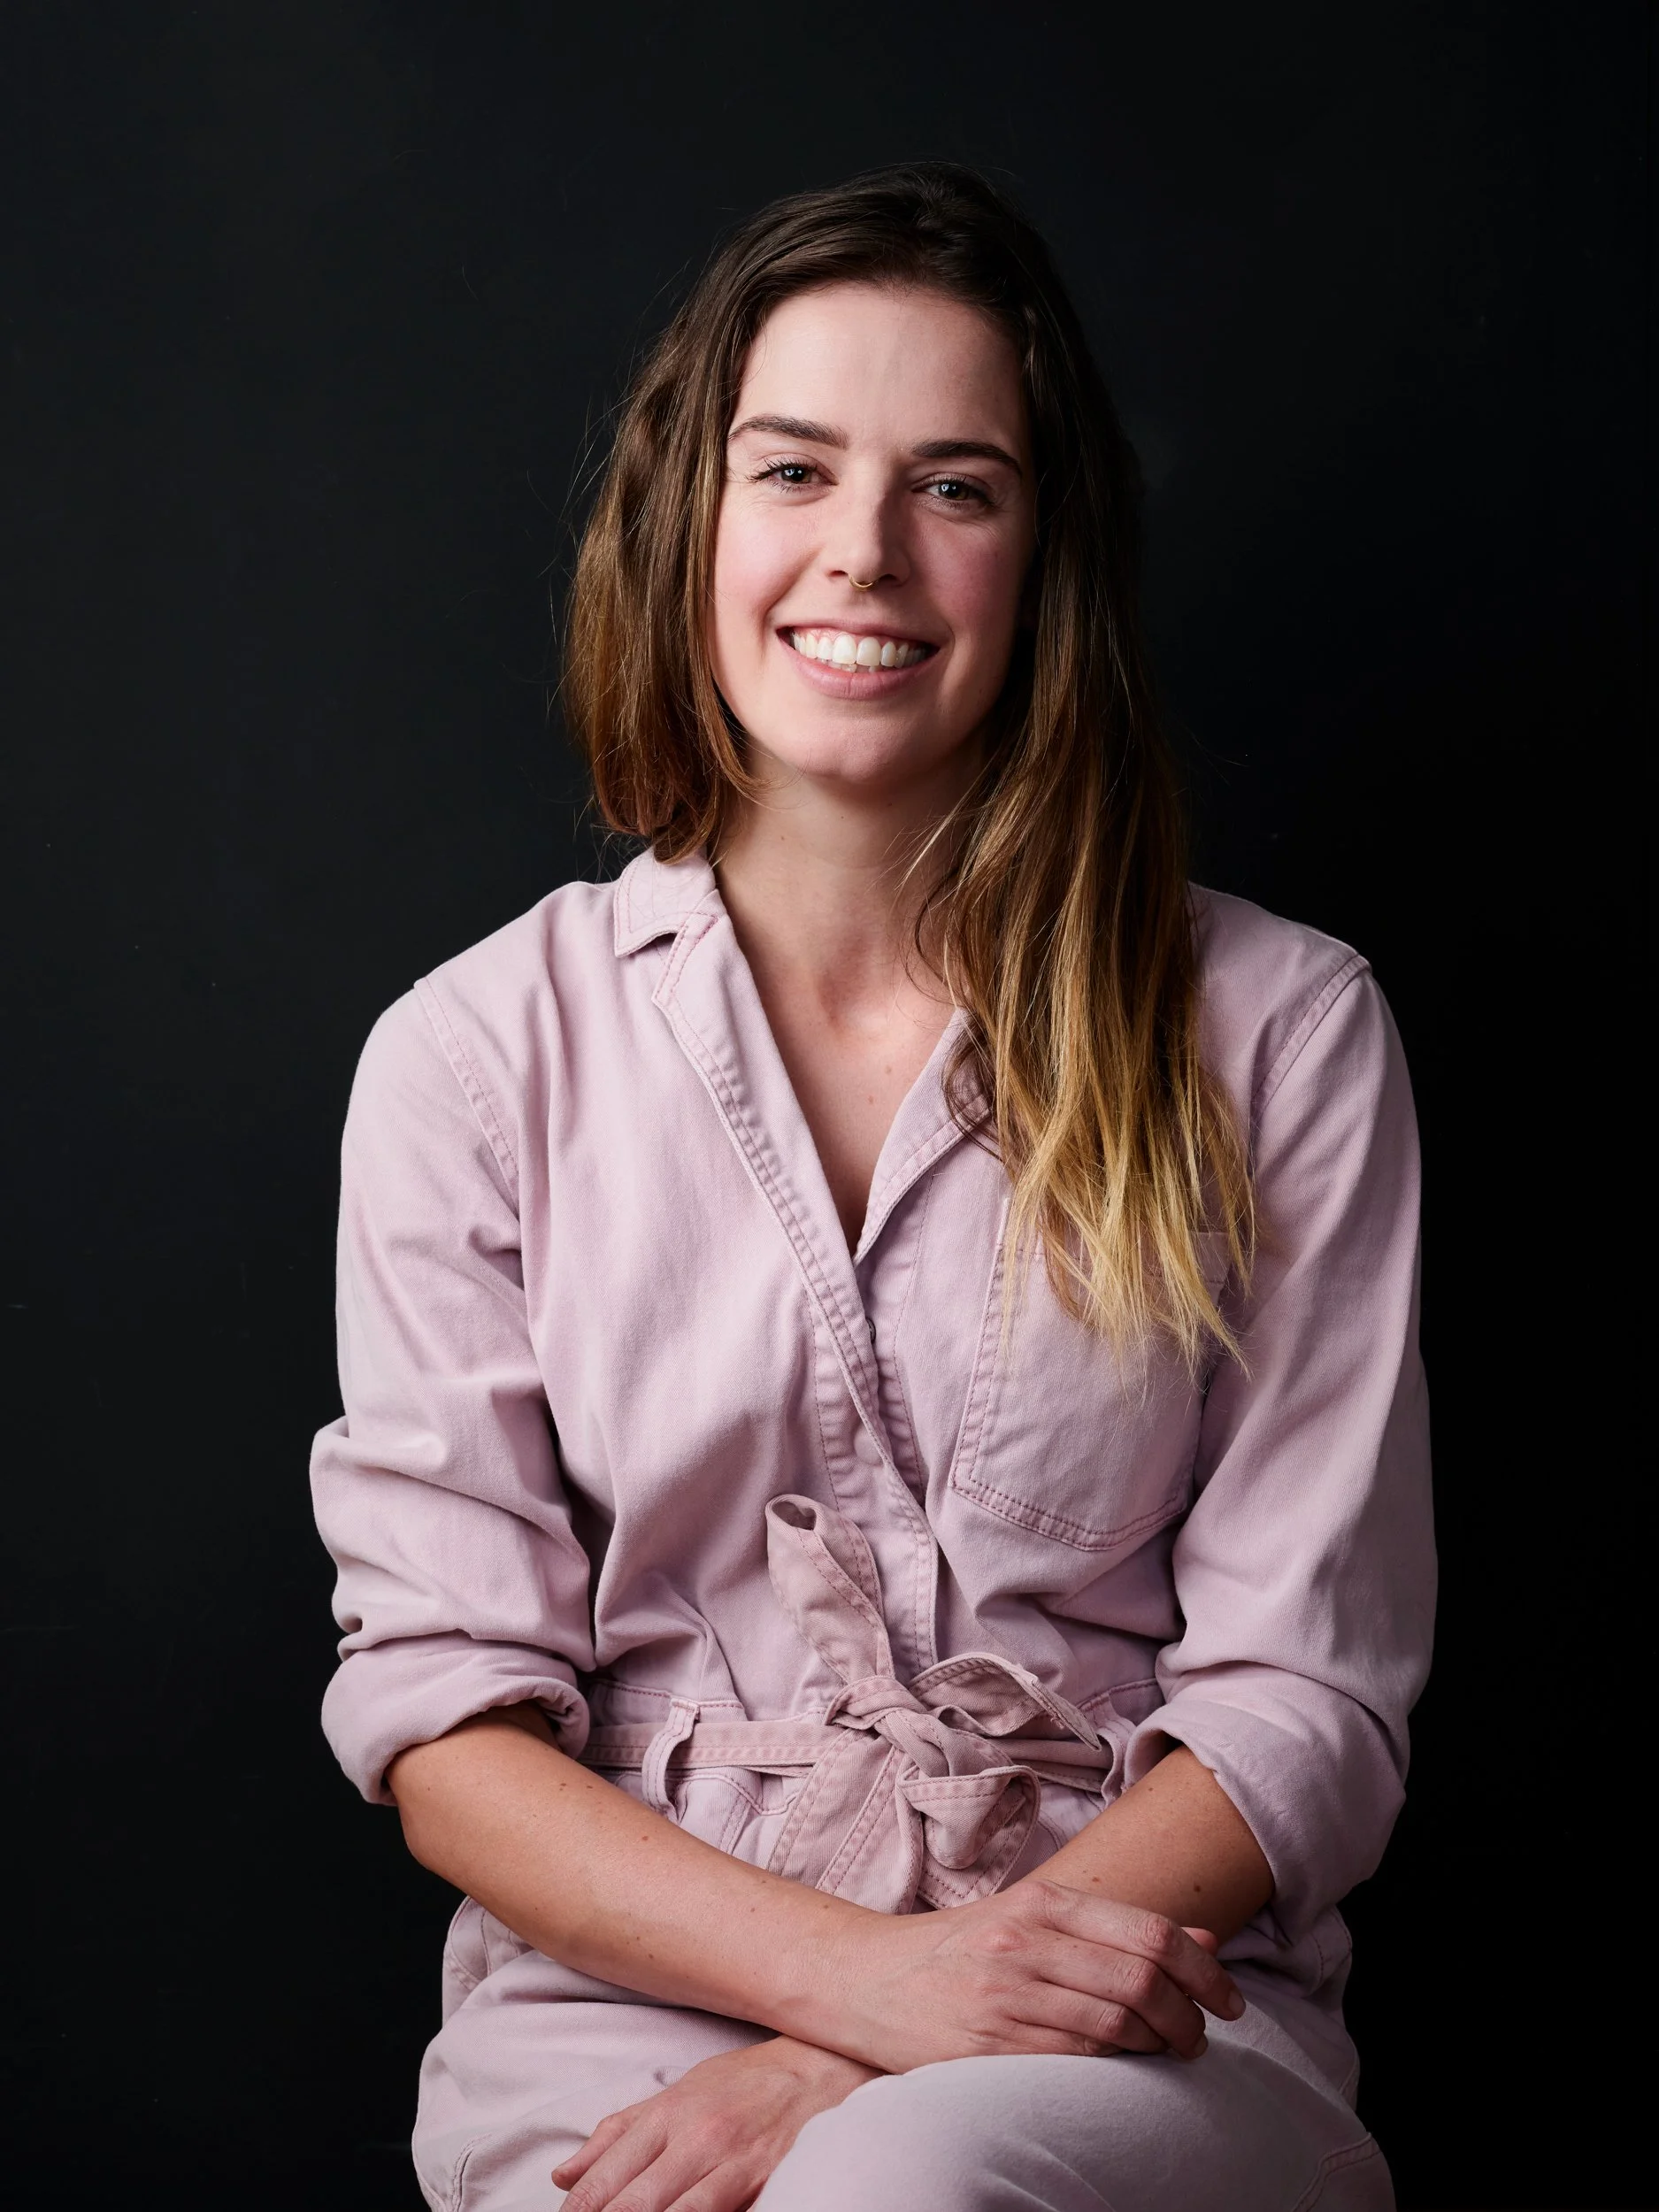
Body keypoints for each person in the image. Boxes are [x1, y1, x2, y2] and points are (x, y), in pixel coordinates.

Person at [311, 164, 1432, 2212]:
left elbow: (1306, 1694)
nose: (864, 550)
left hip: (1128, 1999)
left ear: (1045, 554)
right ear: (691, 519)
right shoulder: (472, 1057)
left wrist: (866, 2047)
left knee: (893, 2183)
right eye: (795, 468)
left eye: (956, 486)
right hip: (622, 2007)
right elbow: (444, 1720)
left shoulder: (1280, 1032)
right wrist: (852, 1985)